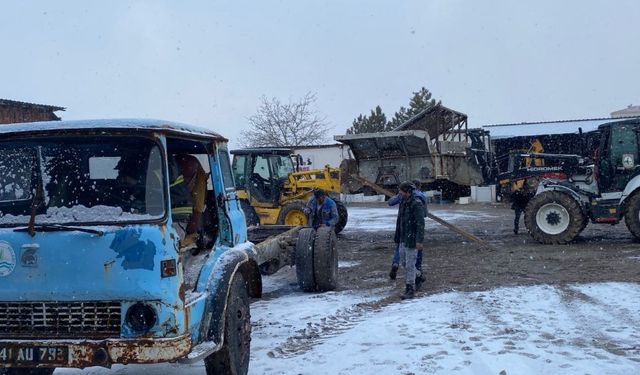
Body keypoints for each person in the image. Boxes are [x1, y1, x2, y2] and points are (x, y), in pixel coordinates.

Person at [388, 180, 427, 287]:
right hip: (404, 233)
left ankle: (410, 287)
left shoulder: (415, 201)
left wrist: (419, 240)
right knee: (407, 262)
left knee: (410, 262)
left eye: (401, 192)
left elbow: (420, 223)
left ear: (407, 191)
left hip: (410, 235)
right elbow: (424, 215)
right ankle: (418, 275)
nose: (400, 194)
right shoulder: (406, 200)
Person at [171, 154, 208, 248]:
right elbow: (199, 201)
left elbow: (199, 200)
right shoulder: (190, 165)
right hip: (178, 208)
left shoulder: (171, 163)